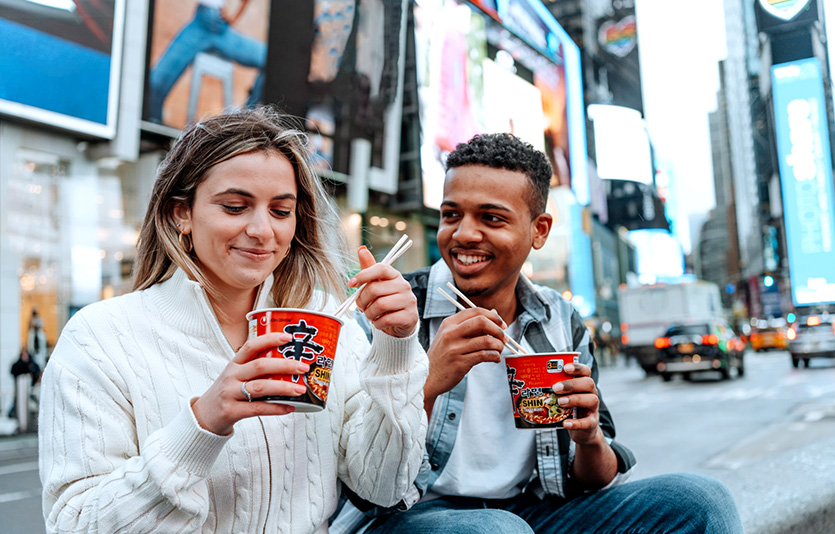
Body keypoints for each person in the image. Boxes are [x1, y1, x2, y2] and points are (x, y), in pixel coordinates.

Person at [38, 107, 429, 533]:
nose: (262, 230)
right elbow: (75, 524)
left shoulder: (322, 318)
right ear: (180, 213)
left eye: (281, 211)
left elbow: (384, 487)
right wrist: (201, 426)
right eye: (235, 207)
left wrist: (395, 347)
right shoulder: (100, 338)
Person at [333, 133, 743, 533]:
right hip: (410, 515)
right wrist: (427, 381)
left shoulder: (559, 319)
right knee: (499, 529)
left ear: (540, 230)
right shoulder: (393, 312)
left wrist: (589, 437)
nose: (463, 234)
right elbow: (365, 490)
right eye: (451, 215)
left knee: (702, 501)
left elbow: (592, 480)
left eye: (491, 218)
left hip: (532, 510)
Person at [147, 0, 266, 123]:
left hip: (220, 27)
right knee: (154, 82)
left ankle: (246, 119)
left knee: (267, 57)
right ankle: (154, 123)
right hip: (201, 22)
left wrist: (234, 16)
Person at [8, 347, 41, 419]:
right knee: (19, 402)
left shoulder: (31, 364)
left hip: (30, 387)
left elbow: (36, 372)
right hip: (20, 388)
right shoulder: (19, 364)